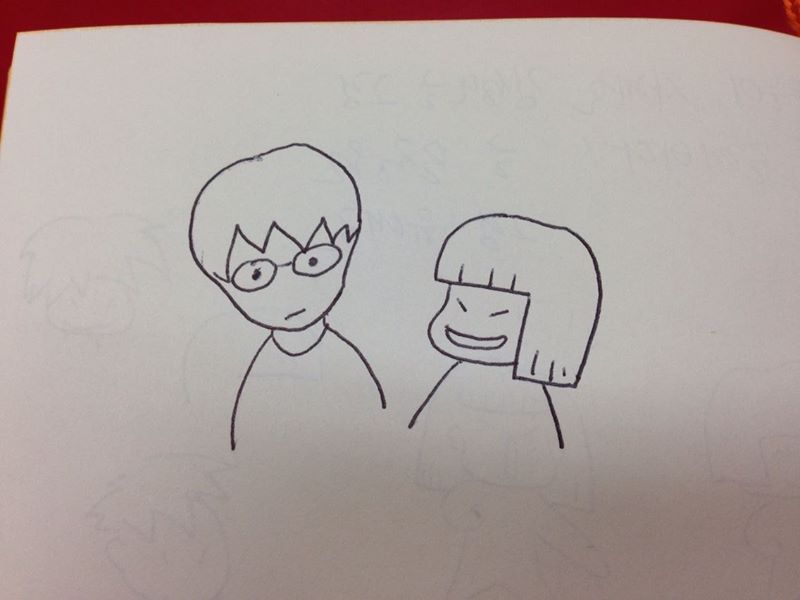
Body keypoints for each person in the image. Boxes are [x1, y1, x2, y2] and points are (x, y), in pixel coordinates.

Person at [409, 213, 605, 597]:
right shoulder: (456, 383)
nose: (471, 325)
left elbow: (566, 466)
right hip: (465, 515)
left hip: (520, 519)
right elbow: (432, 452)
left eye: (497, 314)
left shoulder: (544, 400)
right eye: (460, 305)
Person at [189, 143, 385, 451]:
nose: (289, 286)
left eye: (312, 261)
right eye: (256, 275)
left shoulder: (346, 363)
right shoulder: (261, 374)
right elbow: (246, 446)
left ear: (349, 246)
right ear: (222, 283)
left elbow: (376, 429)